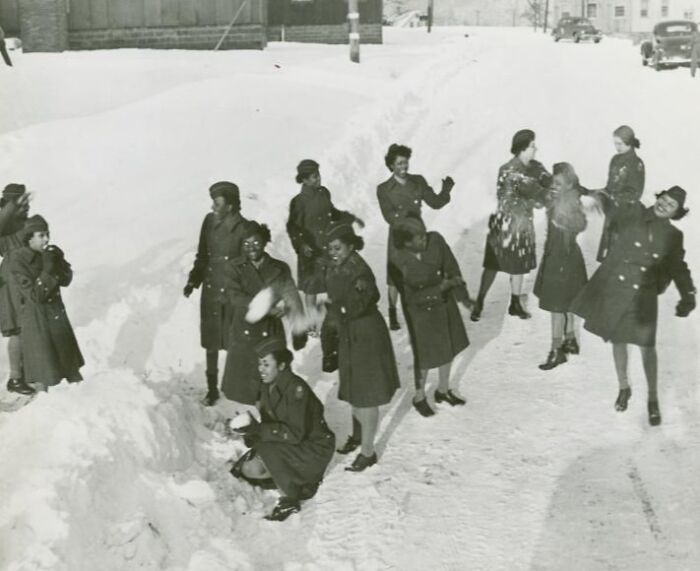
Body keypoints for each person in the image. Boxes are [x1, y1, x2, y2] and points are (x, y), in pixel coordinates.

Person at [571, 187, 695, 426]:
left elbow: (678, 267)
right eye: (664, 200)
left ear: (675, 214)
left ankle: (652, 399)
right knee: (618, 340)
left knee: (647, 347)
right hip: (619, 289)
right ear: (658, 198)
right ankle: (623, 387)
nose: (664, 205)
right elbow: (611, 204)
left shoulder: (673, 236)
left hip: (644, 296)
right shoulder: (633, 214)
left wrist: (687, 294)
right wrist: (591, 195)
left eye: (670, 206)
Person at [230, 336, 335, 522]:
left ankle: (291, 496)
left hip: (312, 448)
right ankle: (287, 474)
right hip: (291, 442)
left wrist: (259, 430)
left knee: (261, 459)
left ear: (281, 366)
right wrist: (251, 430)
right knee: (249, 469)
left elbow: (294, 433)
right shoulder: (267, 385)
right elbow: (272, 421)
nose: (261, 369)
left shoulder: (296, 389)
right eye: (260, 364)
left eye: (266, 364)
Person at [324, 223, 400, 471]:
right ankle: (357, 437)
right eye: (330, 248)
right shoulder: (338, 265)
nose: (332, 252)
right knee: (355, 387)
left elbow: (354, 305)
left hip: (366, 333)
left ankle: (368, 451)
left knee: (367, 395)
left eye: (337, 247)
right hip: (350, 332)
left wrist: (330, 313)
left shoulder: (360, 273)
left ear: (350, 246)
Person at [390, 215, 472, 416]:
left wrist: (463, 297)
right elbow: (410, 297)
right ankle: (419, 396)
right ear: (407, 243)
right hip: (420, 312)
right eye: (419, 238)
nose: (424, 240)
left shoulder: (436, 241)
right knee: (424, 355)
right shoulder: (398, 261)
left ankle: (443, 390)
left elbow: (452, 268)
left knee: (449, 346)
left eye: (424, 234)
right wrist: (439, 288)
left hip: (445, 304)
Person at [471, 129, 552, 322]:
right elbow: (506, 201)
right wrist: (536, 200)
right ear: (522, 149)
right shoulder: (508, 170)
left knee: (519, 266)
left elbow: (547, 184)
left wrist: (549, 186)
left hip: (523, 224)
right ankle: (480, 301)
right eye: (532, 146)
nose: (535, 149)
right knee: (493, 265)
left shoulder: (536, 167)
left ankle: (515, 303)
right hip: (506, 224)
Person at [222, 221, 302, 405]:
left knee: (273, 382)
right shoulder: (233, 268)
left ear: (265, 242)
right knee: (248, 385)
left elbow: (291, 296)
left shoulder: (279, 268)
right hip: (245, 330)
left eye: (256, 243)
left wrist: (297, 325)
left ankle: (275, 421)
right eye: (246, 244)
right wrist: (265, 306)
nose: (251, 248)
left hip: (271, 331)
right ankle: (258, 422)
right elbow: (235, 296)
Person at [377, 144, 454, 331]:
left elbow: (435, 203)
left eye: (406, 162)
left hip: (418, 235)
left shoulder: (418, 181)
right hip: (399, 236)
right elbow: (388, 216)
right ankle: (393, 312)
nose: (404, 167)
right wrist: (407, 222)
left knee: (422, 271)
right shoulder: (384, 189)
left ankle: (424, 307)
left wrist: (446, 191)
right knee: (395, 278)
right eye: (399, 163)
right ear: (391, 166)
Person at [183, 181, 247, 406]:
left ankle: (234, 386)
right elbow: (202, 254)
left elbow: (248, 264)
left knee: (234, 340)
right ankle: (212, 389)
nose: (212, 207)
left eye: (217, 203)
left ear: (230, 205)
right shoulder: (209, 222)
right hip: (211, 289)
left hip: (232, 291)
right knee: (211, 341)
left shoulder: (244, 228)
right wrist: (194, 279)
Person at [286, 159, 363, 331]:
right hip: (310, 250)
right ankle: (312, 323)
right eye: (313, 178)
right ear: (304, 180)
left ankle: (335, 314)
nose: (318, 180)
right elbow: (293, 227)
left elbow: (333, 213)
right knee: (311, 287)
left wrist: (351, 218)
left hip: (328, 245)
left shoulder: (324, 193)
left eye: (318, 176)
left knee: (333, 280)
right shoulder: (298, 201)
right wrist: (302, 245)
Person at [10, 215, 84, 389]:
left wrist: (60, 262)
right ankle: (47, 407)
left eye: (47, 234)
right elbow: (36, 295)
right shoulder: (18, 260)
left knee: (71, 369)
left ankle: (82, 401)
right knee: (46, 372)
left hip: (56, 318)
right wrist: (49, 268)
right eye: (41, 235)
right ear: (29, 237)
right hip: (38, 323)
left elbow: (66, 281)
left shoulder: (47, 254)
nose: (46, 239)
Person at [533, 163, 588, 371]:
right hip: (564, 257)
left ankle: (557, 351)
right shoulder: (563, 195)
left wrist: (566, 223)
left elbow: (581, 223)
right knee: (567, 300)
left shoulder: (568, 203)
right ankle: (571, 338)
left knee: (557, 308)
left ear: (568, 185)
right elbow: (549, 184)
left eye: (558, 183)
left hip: (561, 259)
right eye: (553, 182)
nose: (553, 186)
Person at [582, 125, 644, 262]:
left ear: (629, 142)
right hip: (612, 214)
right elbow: (609, 188)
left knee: (621, 257)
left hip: (627, 216)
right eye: (615, 143)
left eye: (619, 143)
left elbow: (634, 193)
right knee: (609, 257)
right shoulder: (615, 160)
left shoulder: (637, 164)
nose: (617, 147)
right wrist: (591, 192)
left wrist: (609, 196)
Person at [0, 184, 31, 394]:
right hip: (12, 280)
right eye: (22, 201)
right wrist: (12, 205)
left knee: (29, 327)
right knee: (18, 330)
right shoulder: (6, 224)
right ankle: (15, 379)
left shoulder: (20, 223)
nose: (26, 205)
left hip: (25, 277)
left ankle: (24, 373)